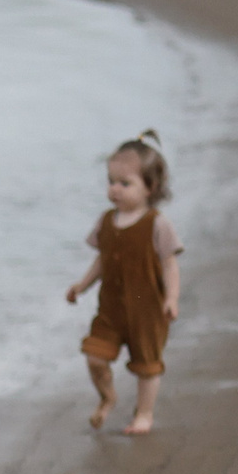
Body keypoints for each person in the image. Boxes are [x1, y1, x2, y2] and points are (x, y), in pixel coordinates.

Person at [66, 129, 184, 435]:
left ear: (150, 187)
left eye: (125, 183)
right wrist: (82, 285)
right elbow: (102, 261)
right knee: (94, 357)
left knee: (148, 366)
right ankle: (108, 397)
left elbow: (170, 264)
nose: (115, 190)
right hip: (112, 309)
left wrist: (172, 298)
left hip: (147, 311)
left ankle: (144, 414)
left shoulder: (157, 224)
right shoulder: (106, 221)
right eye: (111, 182)